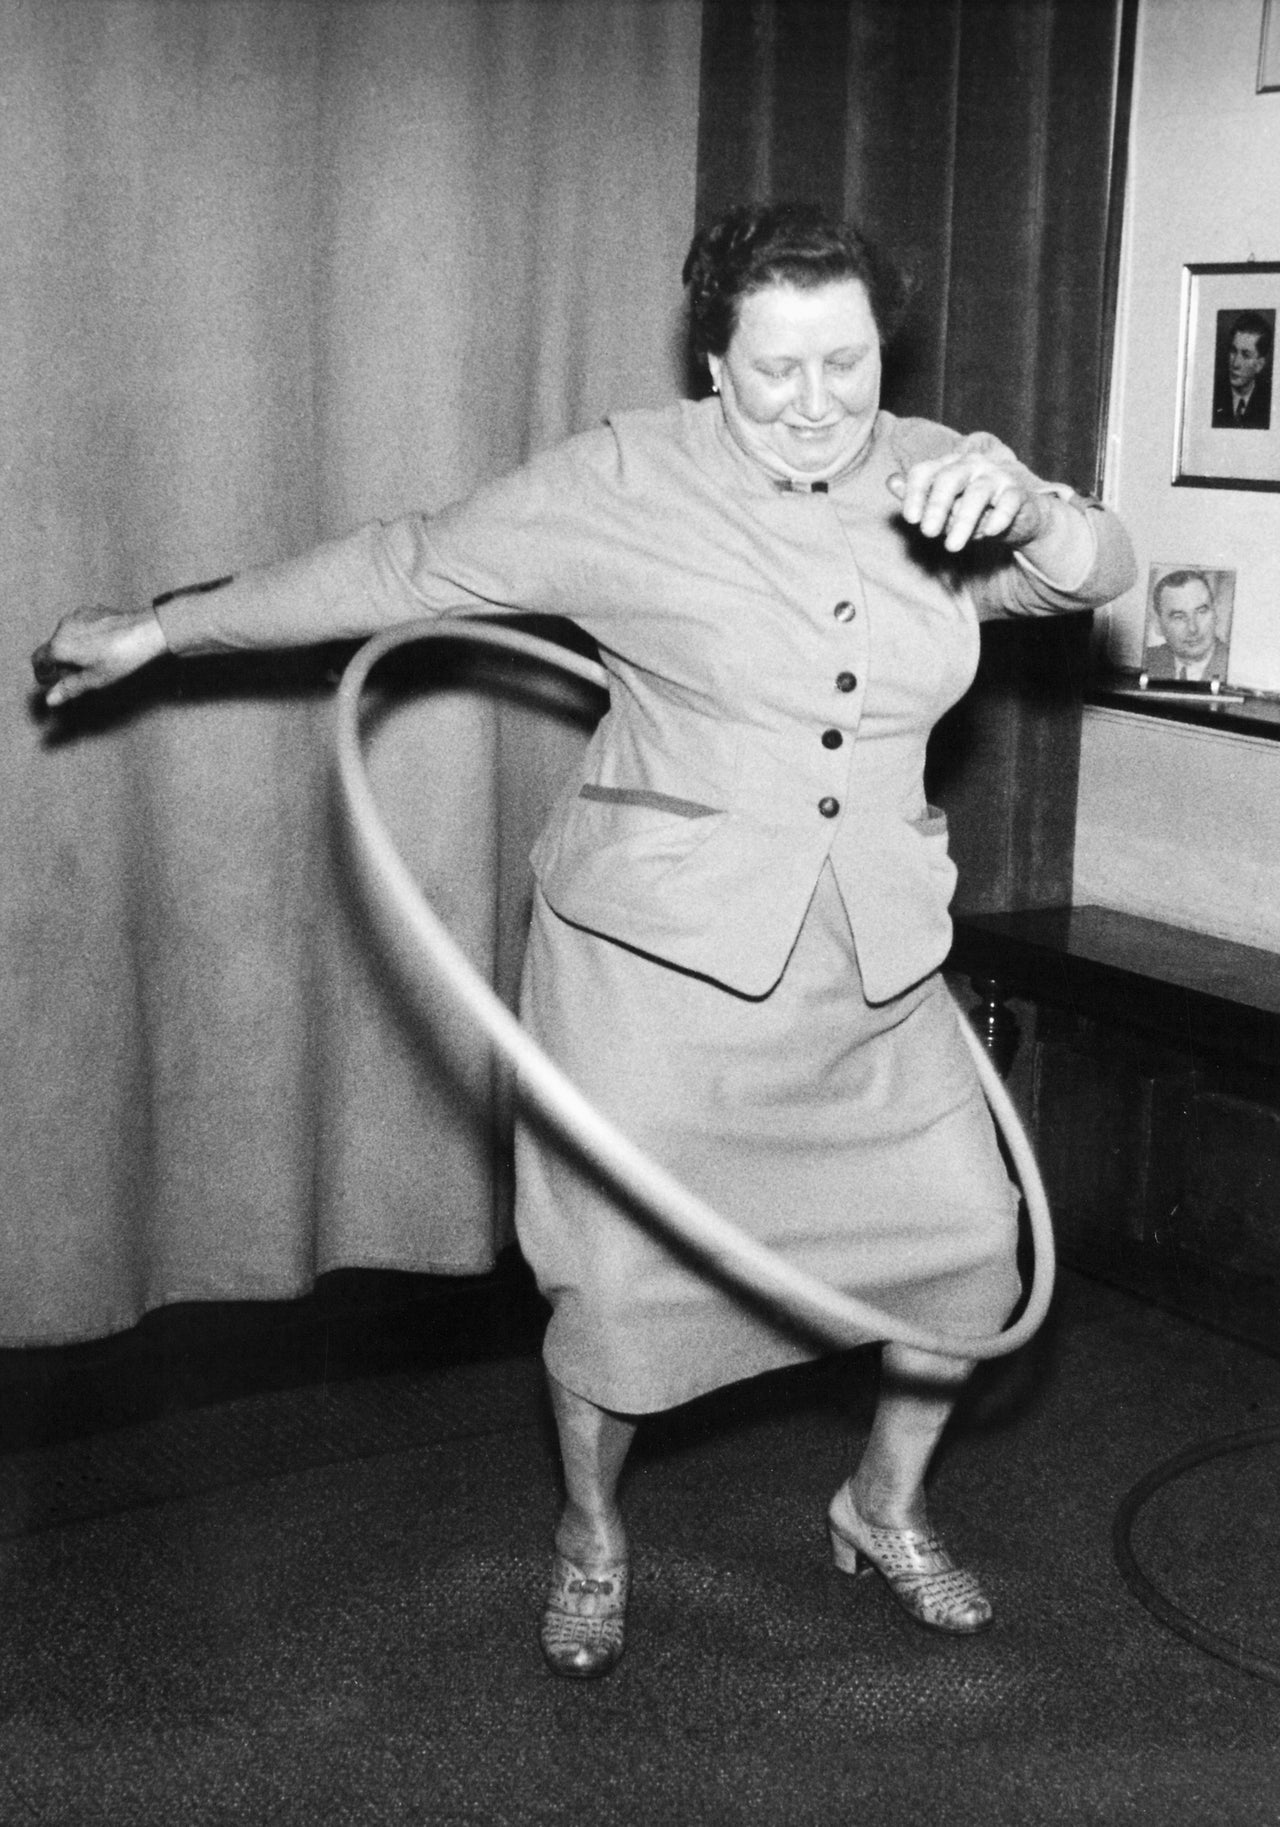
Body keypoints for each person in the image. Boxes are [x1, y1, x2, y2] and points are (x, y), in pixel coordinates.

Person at [33, 203, 1135, 1679]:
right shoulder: (624, 478)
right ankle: (592, 1535)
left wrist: (1038, 505)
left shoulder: (940, 476)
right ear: (711, 359)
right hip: (656, 964)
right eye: (775, 370)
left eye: (849, 364)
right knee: (616, 1293)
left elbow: (1099, 574)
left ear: (887, 349)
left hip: (870, 960)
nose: (816, 402)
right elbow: (407, 566)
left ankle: (882, 1501)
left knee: (967, 1249)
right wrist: (169, 629)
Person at [1141, 568, 1229, 681]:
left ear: (1216, 613)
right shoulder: (1145, 661)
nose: (1193, 628)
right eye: (1179, 617)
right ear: (1158, 624)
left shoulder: (1236, 663)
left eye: (1201, 612)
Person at [1211, 311, 1272, 430]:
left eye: (1246, 355)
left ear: (1259, 365)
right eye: (1233, 351)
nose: (1235, 363)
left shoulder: (1269, 405)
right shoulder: (1213, 396)